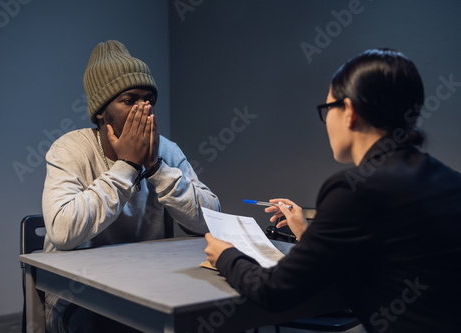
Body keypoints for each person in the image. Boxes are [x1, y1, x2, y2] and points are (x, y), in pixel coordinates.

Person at [205, 49, 461, 333]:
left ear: (349, 112)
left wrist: (226, 255)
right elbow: (390, 257)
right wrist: (308, 233)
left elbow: (274, 291)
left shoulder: (354, 188)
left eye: (327, 109)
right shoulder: (448, 180)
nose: (326, 120)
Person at [42, 40, 220, 332]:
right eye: (129, 100)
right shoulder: (69, 149)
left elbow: (210, 219)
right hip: (79, 290)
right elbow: (62, 232)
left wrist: (156, 168)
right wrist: (126, 166)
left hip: (147, 283)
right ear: (102, 112)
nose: (144, 109)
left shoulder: (167, 150)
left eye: (149, 99)